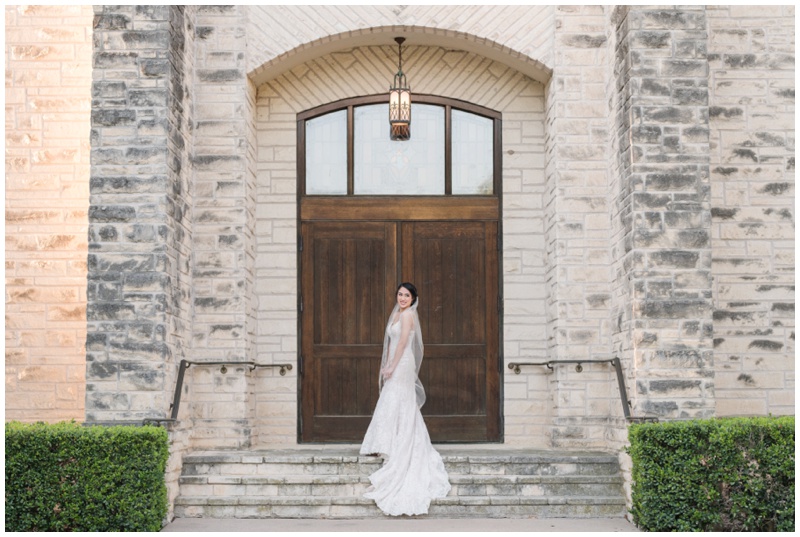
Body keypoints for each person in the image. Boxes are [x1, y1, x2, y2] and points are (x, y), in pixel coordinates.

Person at [360, 282, 451, 516]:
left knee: (397, 398)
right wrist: (387, 362)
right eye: (400, 294)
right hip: (395, 360)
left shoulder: (408, 315)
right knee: (393, 400)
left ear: (413, 298)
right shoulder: (397, 313)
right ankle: (386, 442)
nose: (402, 298)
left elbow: (401, 343)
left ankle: (396, 444)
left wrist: (391, 365)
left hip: (402, 362)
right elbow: (391, 342)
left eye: (406, 295)